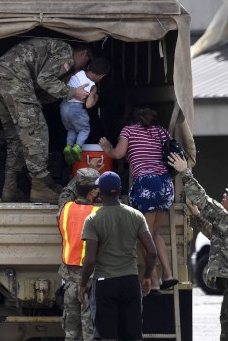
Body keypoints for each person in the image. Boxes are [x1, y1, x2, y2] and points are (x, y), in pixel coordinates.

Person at [0, 38, 92, 204]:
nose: (82, 70)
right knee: (36, 130)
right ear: (84, 53)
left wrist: (62, 91)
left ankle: (9, 189)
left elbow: (41, 91)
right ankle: (39, 187)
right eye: (85, 64)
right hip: (14, 76)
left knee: (16, 137)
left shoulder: (54, 52)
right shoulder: (66, 51)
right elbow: (45, 80)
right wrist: (72, 92)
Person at [167, 152, 228, 341]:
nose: (223, 196)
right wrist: (197, 215)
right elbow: (213, 232)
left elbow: (206, 202)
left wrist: (185, 172)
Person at [98, 108, 178, 294]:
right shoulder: (160, 131)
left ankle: (155, 280)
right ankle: (168, 275)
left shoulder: (128, 131)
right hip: (166, 183)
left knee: (145, 237)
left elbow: (118, 154)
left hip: (146, 183)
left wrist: (107, 147)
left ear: (131, 120)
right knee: (155, 232)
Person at [79, 171, 157, 341]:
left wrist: (83, 284)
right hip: (130, 282)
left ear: (100, 192)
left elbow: (90, 260)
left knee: (106, 336)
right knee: (133, 336)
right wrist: (146, 276)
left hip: (105, 284)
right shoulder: (136, 215)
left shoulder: (93, 219)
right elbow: (152, 252)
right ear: (121, 189)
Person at [57, 167, 101, 341]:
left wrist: (81, 177)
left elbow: (66, 192)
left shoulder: (65, 209)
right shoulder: (98, 214)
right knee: (91, 331)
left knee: (71, 333)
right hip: (90, 281)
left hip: (70, 282)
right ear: (93, 192)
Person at [61, 58, 110, 164]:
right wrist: (95, 96)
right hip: (76, 109)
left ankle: (68, 147)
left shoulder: (79, 72)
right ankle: (77, 147)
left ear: (89, 67)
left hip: (64, 106)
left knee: (71, 129)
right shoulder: (92, 85)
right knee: (85, 129)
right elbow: (88, 105)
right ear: (102, 76)